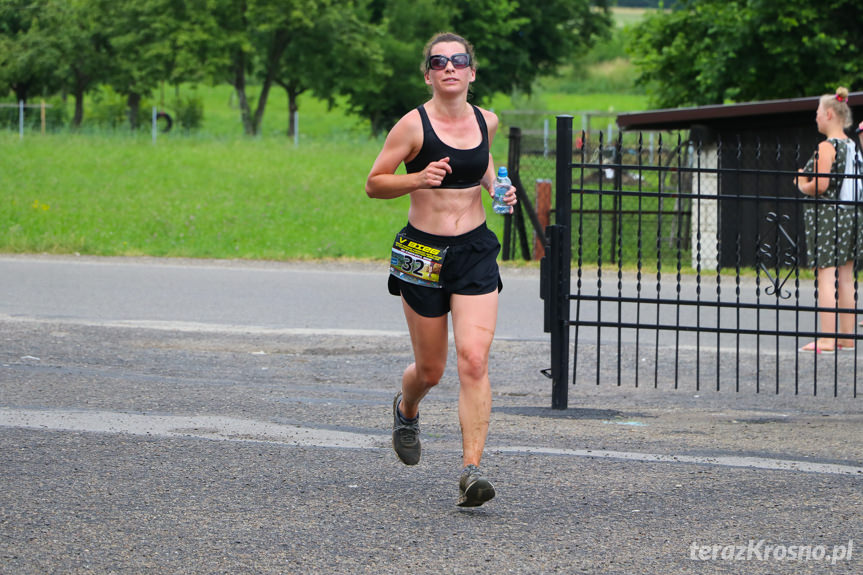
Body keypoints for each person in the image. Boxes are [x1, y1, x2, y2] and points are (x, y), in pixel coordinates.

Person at [365, 32, 517, 507]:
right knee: (431, 371)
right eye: (438, 61)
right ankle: (406, 409)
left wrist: (498, 188)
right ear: (428, 73)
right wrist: (418, 177)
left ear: (471, 71)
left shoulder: (486, 120)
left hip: (474, 248)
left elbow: (484, 161)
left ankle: (472, 471)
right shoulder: (411, 127)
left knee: (473, 358)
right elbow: (374, 183)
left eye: (458, 60)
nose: (449, 67)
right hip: (423, 251)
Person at [796, 86, 862, 353]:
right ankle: (847, 337)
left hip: (828, 218)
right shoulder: (853, 146)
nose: (816, 117)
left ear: (831, 114)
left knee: (826, 276)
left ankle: (826, 338)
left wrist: (802, 182)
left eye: (818, 113)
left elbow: (820, 187)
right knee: (846, 277)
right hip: (852, 215)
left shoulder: (827, 147)